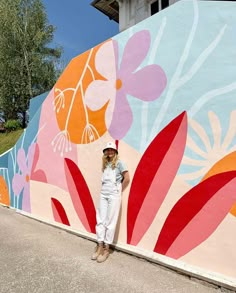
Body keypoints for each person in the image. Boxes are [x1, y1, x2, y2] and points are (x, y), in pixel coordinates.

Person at [91, 141, 130, 263]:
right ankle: (99, 246)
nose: (110, 152)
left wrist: (118, 191)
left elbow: (127, 178)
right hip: (103, 193)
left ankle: (107, 249)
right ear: (105, 152)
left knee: (110, 221)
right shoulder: (106, 164)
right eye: (107, 150)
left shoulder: (120, 163)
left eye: (111, 150)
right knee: (100, 219)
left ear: (115, 152)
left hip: (114, 194)